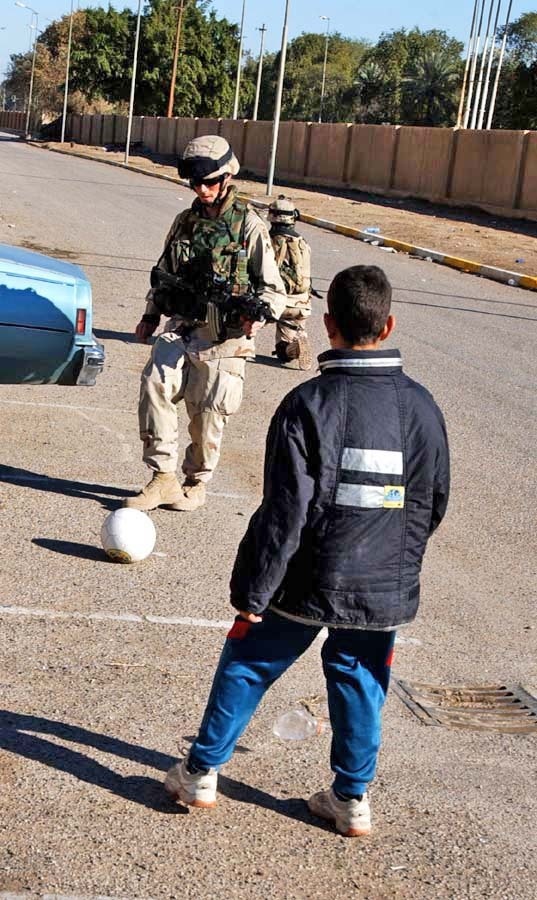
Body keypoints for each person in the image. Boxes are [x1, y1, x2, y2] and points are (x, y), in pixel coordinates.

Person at [164, 264, 450, 836]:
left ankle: (200, 772)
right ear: (388, 324)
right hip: (380, 585)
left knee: (248, 660)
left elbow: (286, 509)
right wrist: (398, 568)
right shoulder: (421, 407)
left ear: (327, 326)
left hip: (306, 577)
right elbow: (431, 499)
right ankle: (351, 799)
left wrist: (254, 589)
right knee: (362, 679)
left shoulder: (308, 403)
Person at [125, 135, 287, 512]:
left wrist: (258, 314)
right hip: (183, 326)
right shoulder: (184, 223)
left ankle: (194, 484)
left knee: (207, 416)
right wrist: (151, 314)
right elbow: (163, 274)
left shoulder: (248, 225)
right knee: (155, 383)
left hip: (226, 338)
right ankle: (162, 478)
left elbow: (273, 290)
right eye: (196, 183)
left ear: (228, 177)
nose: (202, 189)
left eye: (210, 182)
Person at [267, 195, 313, 370]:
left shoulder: (267, 240)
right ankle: (297, 343)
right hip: (302, 304)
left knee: (281, 353)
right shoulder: (303, 243)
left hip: (277, 302)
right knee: (293, 331)